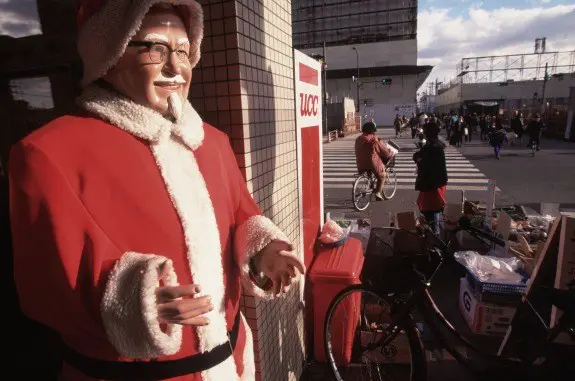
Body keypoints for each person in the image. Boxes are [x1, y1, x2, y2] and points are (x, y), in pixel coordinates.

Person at [8, 2, 305, 380]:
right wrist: (136, 302)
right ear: (109, 54)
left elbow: (241, 214)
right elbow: (42, 288)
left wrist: (263, 247)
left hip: (232, 360)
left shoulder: (211, 141)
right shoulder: (48, 153)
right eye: (155, 48)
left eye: (183, 51)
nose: (175, 67)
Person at [413, 122, 447, 235]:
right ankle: (434, 233)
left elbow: (424, 161)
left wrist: (419, 159)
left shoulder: (433, 147)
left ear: (427, 134)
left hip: (432, 185)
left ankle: (434, 237)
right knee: (433, 210)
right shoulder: (434, 145)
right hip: (434, 183)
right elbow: (420, 156)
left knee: (430, 211)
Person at [355, 121, 395, 201]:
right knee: (382, 176)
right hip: (372, 164)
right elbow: (385, 153)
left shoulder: (358, 139)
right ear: (372, 131)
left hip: (360, 163)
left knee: (369, 173)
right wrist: (392, 153)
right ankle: (378, 193)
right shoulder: (375, 140)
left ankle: (371, 185)